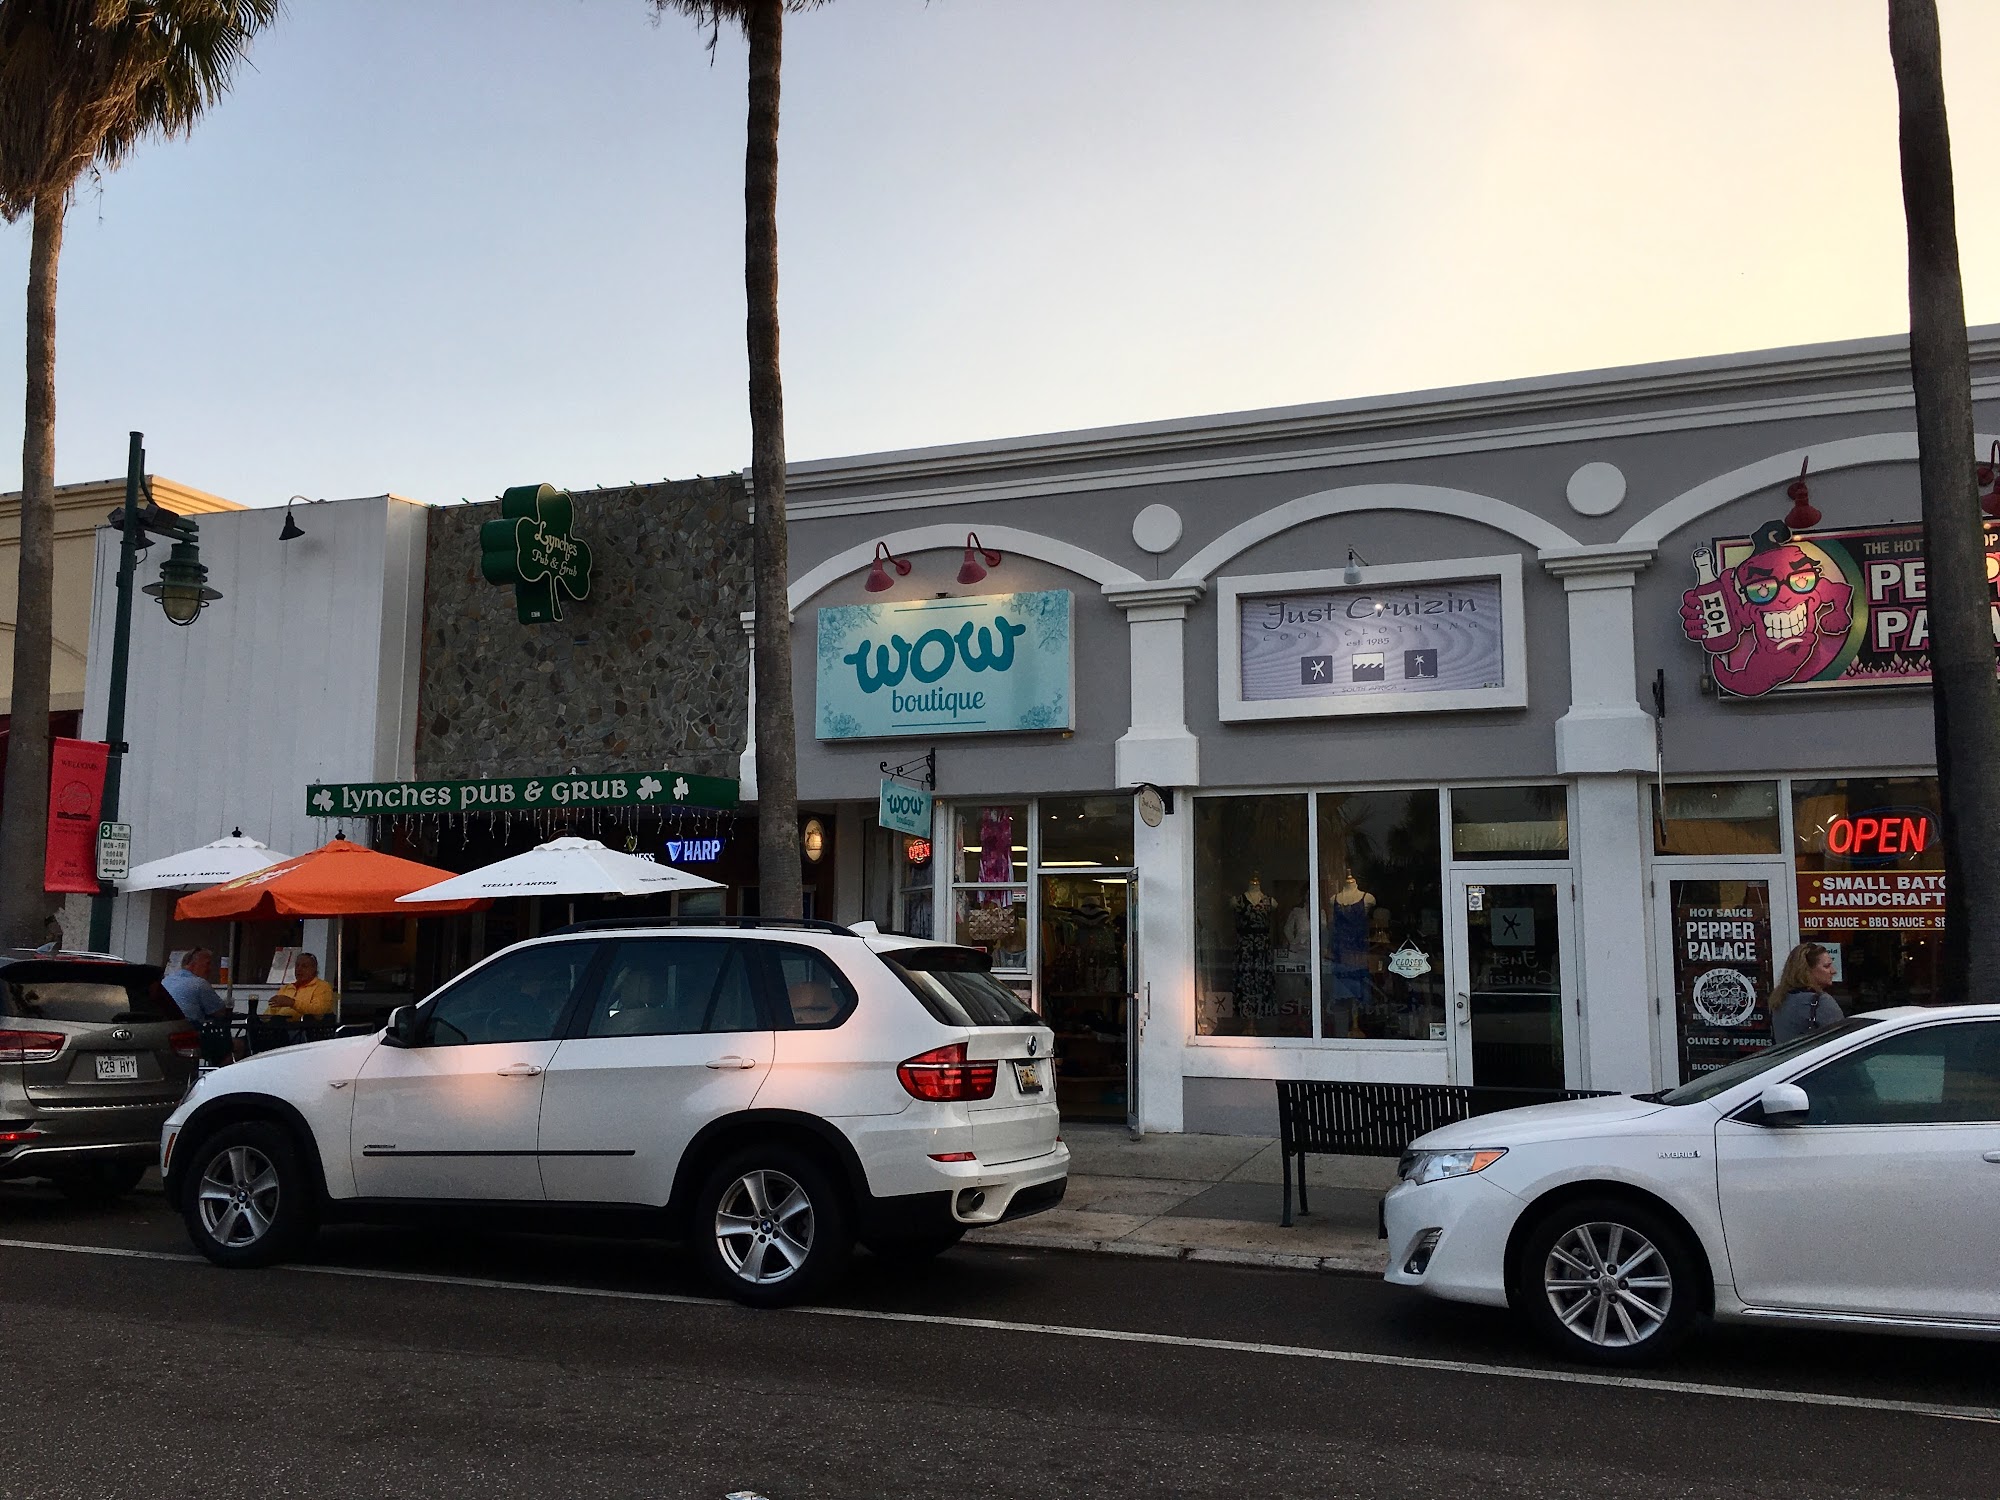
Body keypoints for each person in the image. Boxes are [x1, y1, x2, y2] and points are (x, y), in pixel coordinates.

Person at [162, 949, 233, 1065]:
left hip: (166, 1034)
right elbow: (220, 1012)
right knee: (230, 1046)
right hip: (189, 1035)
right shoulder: (199, 983)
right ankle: (218, 1073)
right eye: (207, 964)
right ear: (192, 964)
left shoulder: (166, 980)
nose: (210, 969)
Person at [1769, 942, 1843, 1045]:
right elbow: (1841, 1043)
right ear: (1806, 971)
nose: (1833, 971)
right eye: (1827, 966)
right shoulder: (1821, 1002)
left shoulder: (1779, 999)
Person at [265, 952, 337, 1020]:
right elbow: (270, 1012)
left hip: (305, 1026)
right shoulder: (286, 988)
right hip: (280, 1025)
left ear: (314, 969)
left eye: (304, 966)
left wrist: (292, 1003)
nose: (299, 969)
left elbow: (320, 1011)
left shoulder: (322, 986)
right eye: (297, 965)